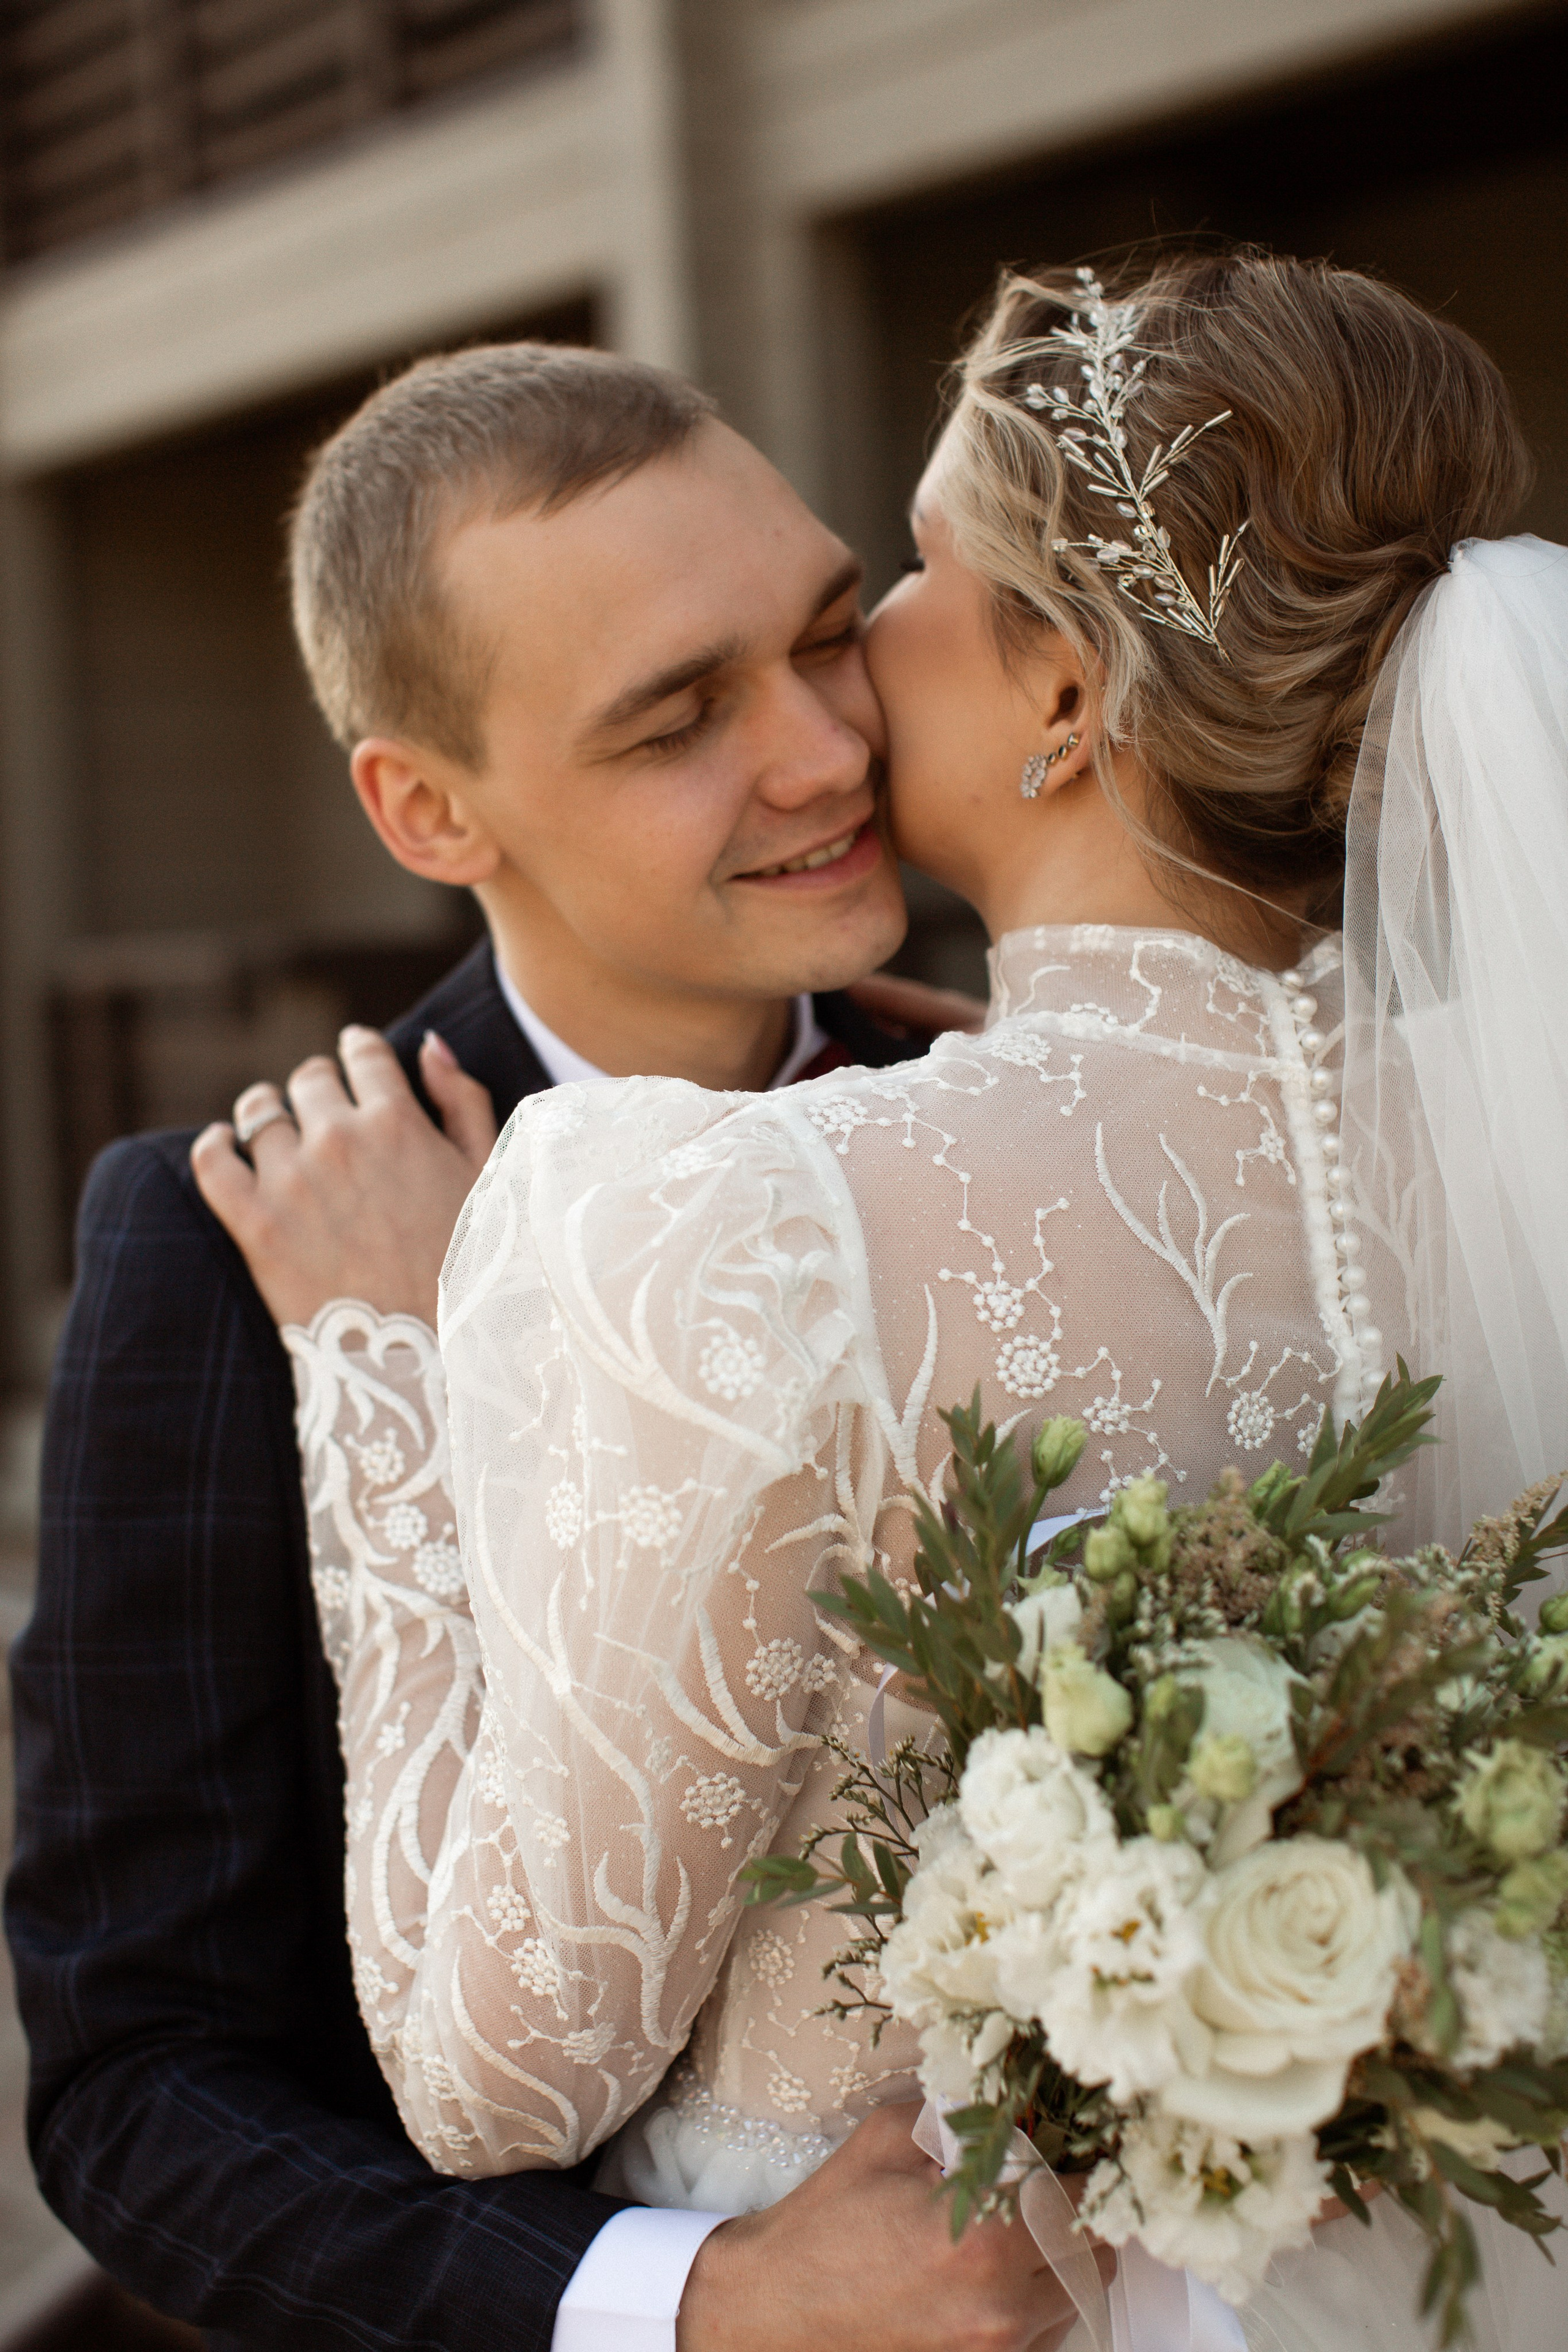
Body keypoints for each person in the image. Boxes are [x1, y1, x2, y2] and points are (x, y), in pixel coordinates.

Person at [198, 252, 1567, 2348]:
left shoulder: (738, 1213)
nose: (843, 695)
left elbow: (494, 2075)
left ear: (1065, 693)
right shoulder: (1502, 1136)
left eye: (904, 582)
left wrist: (378, 1356)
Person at [4, 343, 1041, 2352]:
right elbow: (142, 2091)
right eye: (678, 720)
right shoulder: (228, 1251)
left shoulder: (1030, 1118)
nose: (826, 751)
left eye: (832, 635)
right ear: (423, 806)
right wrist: (696, 2308)